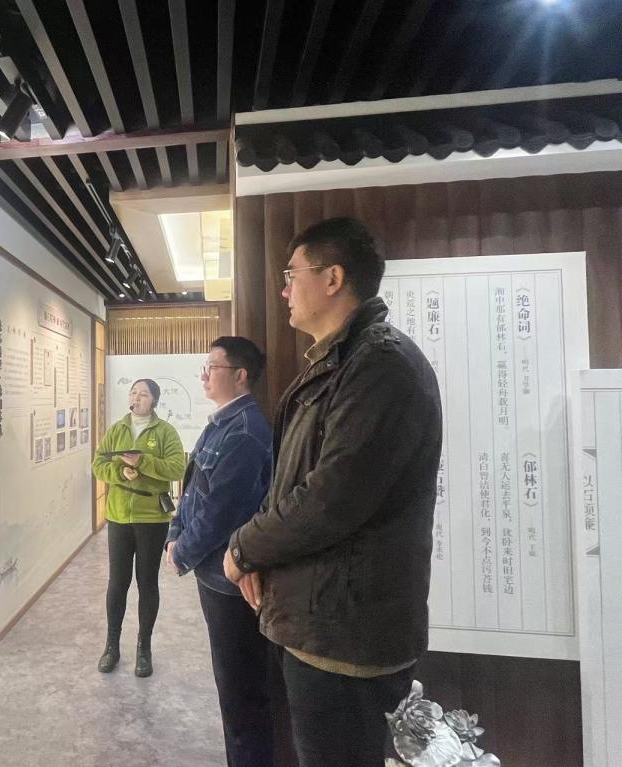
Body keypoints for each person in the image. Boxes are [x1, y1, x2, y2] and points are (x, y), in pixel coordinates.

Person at [224, 217, 443, 767]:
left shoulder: (379, 365)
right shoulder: (337, 363)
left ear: (332, 278)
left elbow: (330, 499)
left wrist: (244, 548)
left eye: (291, 275)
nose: (284, 290)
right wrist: (259, 551)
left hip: (346, 636)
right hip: (320, 623)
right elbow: (291, 482)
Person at [165, 337, 274, 767]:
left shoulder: (245, 432)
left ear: (240, 375)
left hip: (230, 581)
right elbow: (193, 487)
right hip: (212, 573)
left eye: (212, 367)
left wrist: (181, 551)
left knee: (241, 693)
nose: (204, 375)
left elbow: (220, 510)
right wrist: (174, 534)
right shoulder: (221, 423)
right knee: (230, 686)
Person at [92, 378, 185, 677]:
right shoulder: (117, 429)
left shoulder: (165, 432)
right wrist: (121, 472)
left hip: (152, 519)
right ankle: (111, 646)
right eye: (133, 392)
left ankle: (144, 649)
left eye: (143, 394)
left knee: (147, 583)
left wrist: (143, 463)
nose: (136, 397)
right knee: (117, 583)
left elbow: (177, 468)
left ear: (154, 400)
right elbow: (97, 465)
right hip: (119, 516)